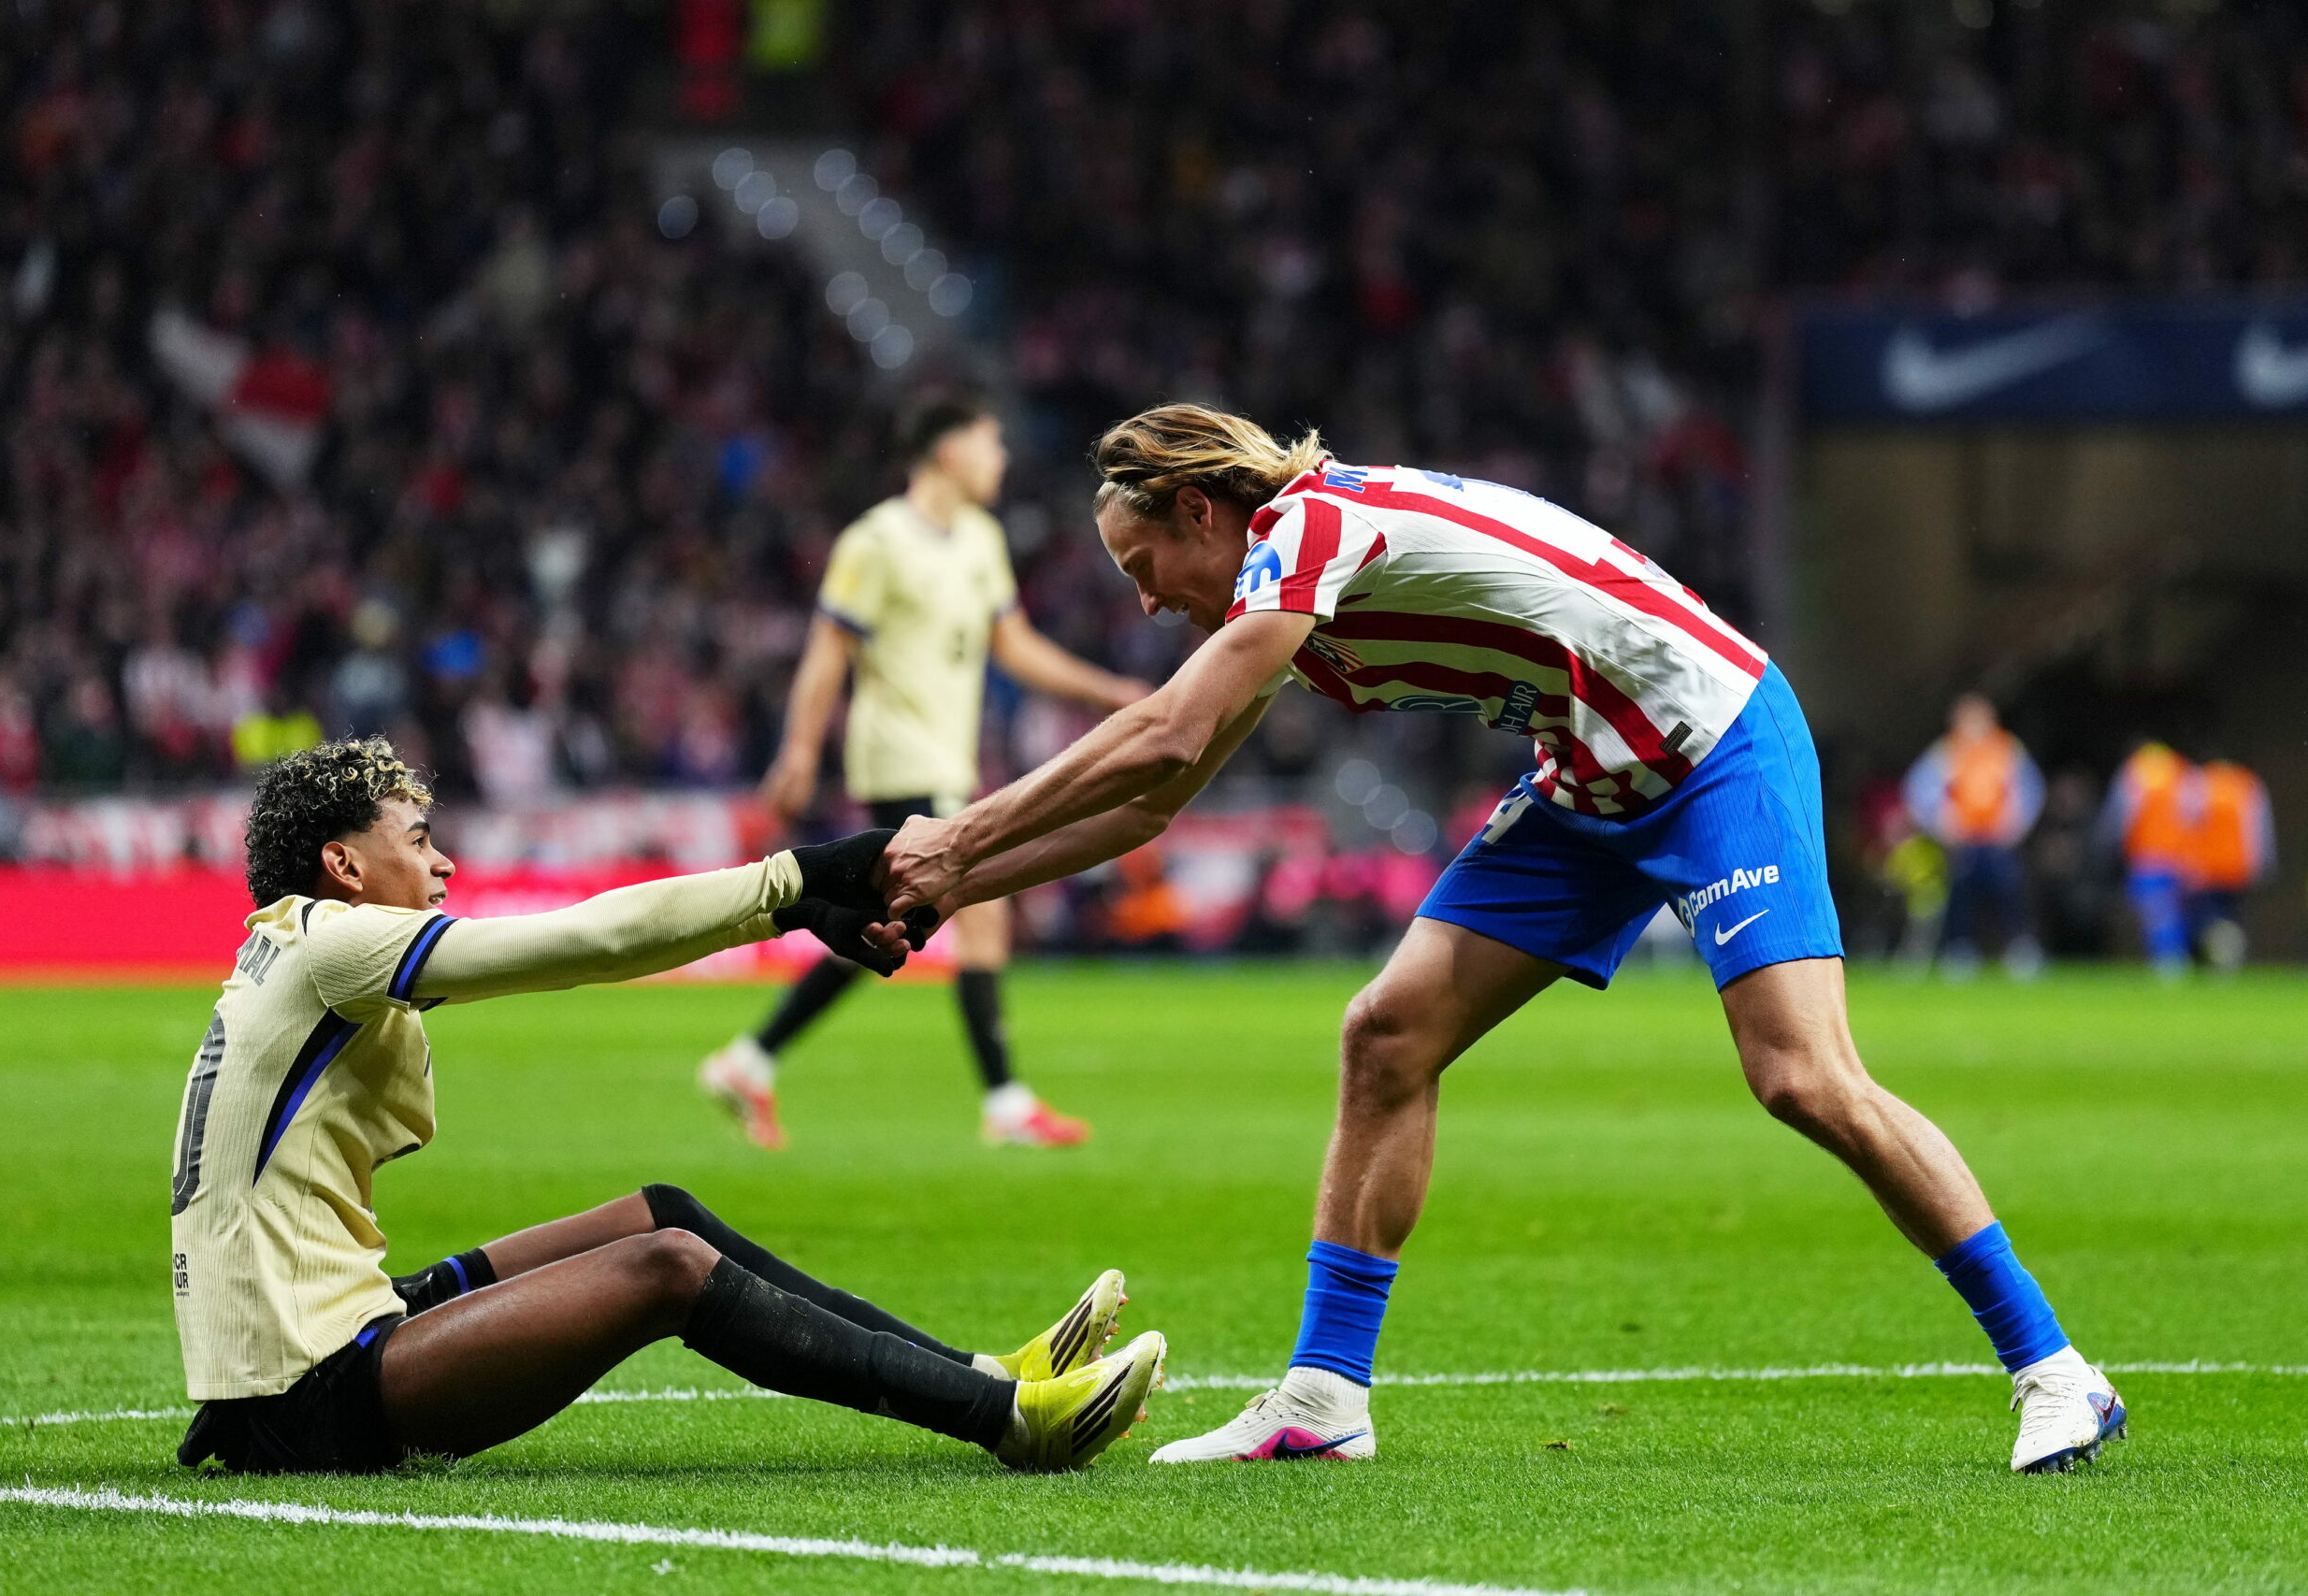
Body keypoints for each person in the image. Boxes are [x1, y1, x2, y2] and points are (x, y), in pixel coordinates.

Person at [877, 405, 2122, 1475]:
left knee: (1801, 1075)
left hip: (1715, 747)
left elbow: (1162, 735)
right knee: (1386, 1032)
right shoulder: (1284, 589)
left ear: (1202, 512)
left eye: (1144, 566)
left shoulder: (1308, 530)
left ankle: (2056, 1370)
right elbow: (1156, 803)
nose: (1146, 601)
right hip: (1587, 779)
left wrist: (957, 836)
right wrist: (954, 880)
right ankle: (1322, 1398)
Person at [169, 737, 1163, 1476]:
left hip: (310, 1347)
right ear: (343, 866)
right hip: (307, 1393)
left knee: (658, 1212)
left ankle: (987, 1370)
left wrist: (800, 910)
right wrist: (798, 879)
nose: (445, 865)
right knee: (667, 1268)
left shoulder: (292, 950)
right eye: (420, 842)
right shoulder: (333, 946)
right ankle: (1010, 1420)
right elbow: (590, 940)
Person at [700, 398, 1148, 1150]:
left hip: (948, 758)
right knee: (979, 907)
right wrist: (800, 750)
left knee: (886, 927)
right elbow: (828, 650)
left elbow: (1016, 646)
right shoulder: (875, 541)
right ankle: (1005, 1102)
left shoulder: (980, 539)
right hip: (900, 756)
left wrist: (1109, 693)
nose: (1001, 457)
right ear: (947, 451)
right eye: (989, 442)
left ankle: (749, 1061)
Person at [1902, 694, 2044, 979]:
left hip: (1997, 840)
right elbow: (1919, 791)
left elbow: (2029, 789)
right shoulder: (1946, 751)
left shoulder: (2006, 748)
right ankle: (1960, 948)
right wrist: (1941, 823)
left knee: (2008, 889)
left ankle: (2019, 947)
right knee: (1961, 892)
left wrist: (2016, 824)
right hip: (1963, 841)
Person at [2100, 740, 2197, 980]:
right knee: (2174, 911)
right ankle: (2175, 958)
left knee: (2155, 911)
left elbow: (2121, 813)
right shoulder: (2182, 769)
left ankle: (2168, 960)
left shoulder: (2135, 770)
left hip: (2147, 856)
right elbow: (2196, 815)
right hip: (2178, 857)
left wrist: (2110, 843)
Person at [2184, 755, 2274, 973]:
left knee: (2210, 917)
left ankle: (2218, 959)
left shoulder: (2200, 782)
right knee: (2231, 916)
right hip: (2237, 867)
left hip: (2208, 867)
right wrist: (2262, 862)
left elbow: (2187, 824)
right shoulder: (2247, 783)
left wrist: (2186, 861)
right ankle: (2227, 960)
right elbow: (2259, 829)